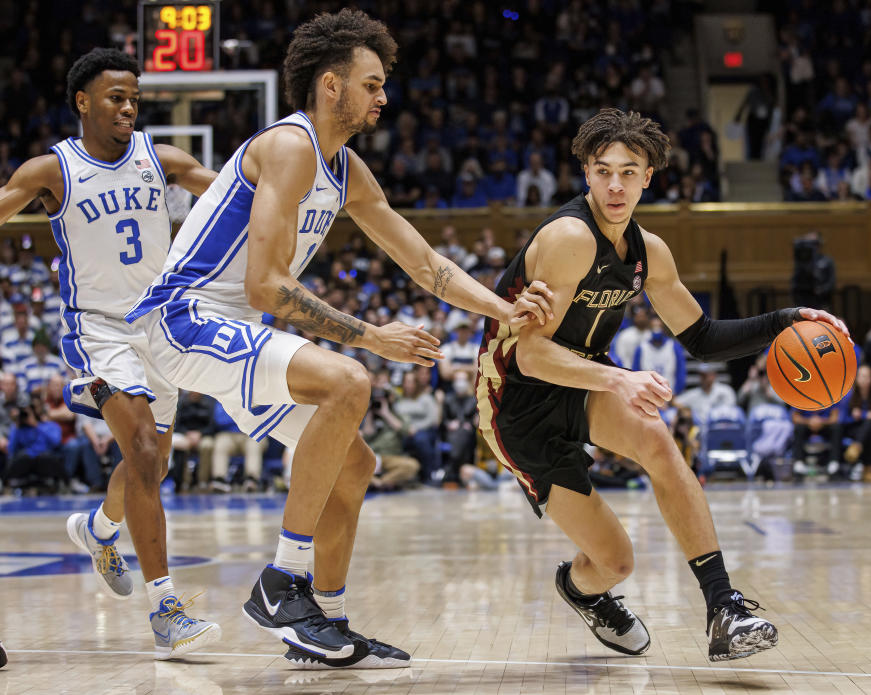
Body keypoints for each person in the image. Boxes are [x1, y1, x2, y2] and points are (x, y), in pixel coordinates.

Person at [123, 9, 552, 669]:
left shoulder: (345, 169)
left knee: (357, 465)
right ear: (333, 87)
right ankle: (281, 583)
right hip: (183, 315)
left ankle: (323, 624)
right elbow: (266, 286)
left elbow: (425, 265)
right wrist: (372, 335)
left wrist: (505, 309)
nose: (384, 97)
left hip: (234, 331)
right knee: (350, 378)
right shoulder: (290, 147)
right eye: (372, 83)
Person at [476, 108, 850, 662]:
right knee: (616, 562)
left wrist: (785, 321)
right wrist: (618, 377)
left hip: (583, 380)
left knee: (658, 441)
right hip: (517, 405)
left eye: (629, 172)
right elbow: (529, 355)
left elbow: (699, 337)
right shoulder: (569, 238)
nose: (614, 184)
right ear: (585, 173)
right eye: (603, 170)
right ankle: (580, 589)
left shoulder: (649, 252)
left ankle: (724, 607)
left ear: (649, 176)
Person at [0, 48, 220, 657]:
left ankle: (98, 531)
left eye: (133, 98)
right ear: (82, 101)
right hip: (99, 328)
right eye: (115, 97)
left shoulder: (163, 159)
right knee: (145, 451)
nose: (127, 107)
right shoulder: (52, 170)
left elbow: (238, 195)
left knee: (155, 465)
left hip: (160, 325)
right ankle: (166, 612)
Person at [844, 364, 871, 482]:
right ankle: (868, 470)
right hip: (853, 429)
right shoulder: (848, 396)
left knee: (869, 426)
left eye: (867, 376)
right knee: (868, 429)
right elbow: (843, 419)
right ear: (856, 378)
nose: (865, 379)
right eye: (862, 376)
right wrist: (862, 415)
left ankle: (857, 446)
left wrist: (870, 416)